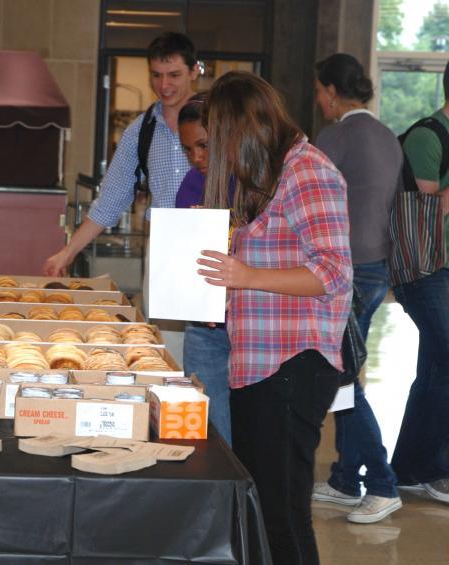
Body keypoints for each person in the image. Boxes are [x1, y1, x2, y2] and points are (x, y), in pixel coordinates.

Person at [197, 71, 352, 565]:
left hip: (292, 365)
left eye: (219, 135)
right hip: (260, 365)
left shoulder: (309, 171)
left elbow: (333, 272)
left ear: (243, 128)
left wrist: (245, 275)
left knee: (283, 515)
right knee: (263, 508)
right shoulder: (271, 175)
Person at [309, 53, 403, 523]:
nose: (318, 100)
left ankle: (382, 485)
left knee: (344, 376)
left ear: (330, 91)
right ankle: (347, 478)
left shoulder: (336, 135)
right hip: (378, 265)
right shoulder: (388, 135)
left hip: (345, 269)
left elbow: (309, 196)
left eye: (318, 91)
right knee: (350, 369)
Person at [43, 31, 199, 276]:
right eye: (156, 75)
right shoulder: (140, 131)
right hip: (164, 252)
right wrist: (69, 251)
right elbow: (110, 200)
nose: (164, 85)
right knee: (162, 316)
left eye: (174, 75)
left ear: (194, 72)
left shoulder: (221, 121)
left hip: (221, 249)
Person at [389, 60, 449, 504]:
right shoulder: (427, 136)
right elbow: (427, 216)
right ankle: (427, 467)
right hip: (425, 271)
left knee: (435, 368)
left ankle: (412, 468)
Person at [175, 93, 233, 445]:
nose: (197, 158)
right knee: (210, 429)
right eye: (188, 150)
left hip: (251, 322)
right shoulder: (191, 185)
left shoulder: (255, 180)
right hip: (204, 327)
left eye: (204, 146)